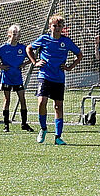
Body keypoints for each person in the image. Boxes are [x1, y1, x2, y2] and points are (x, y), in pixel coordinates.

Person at [26, 15, 81, 146]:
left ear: (63, 28)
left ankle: (58, 137)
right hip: (44, 76)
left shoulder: (66, 41)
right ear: (50, 26)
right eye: (54, 26)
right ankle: (43, 128)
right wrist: (35, 62)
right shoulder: (44, 39)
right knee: (41, 102)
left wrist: (69, 67)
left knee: (58, 106)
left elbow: (79, 55)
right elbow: (29, 48)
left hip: (59, 78)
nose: (57, 28)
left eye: (59, 26)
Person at [0, 25, 31, 132]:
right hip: (7, 77)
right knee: (7, 100)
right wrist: (0, 66)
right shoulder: (3, 48)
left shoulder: (22, 48)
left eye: (17, 34)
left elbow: (32, 57)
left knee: (22, 99)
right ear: (9, 34)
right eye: (14, 33)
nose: (16, 36)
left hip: (17, 78)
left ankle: (24, 124)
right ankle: (6, 125)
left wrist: (24, 64)